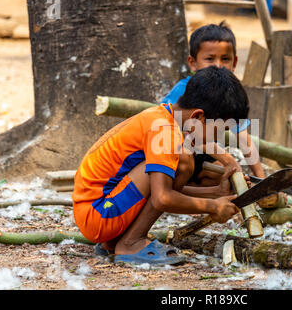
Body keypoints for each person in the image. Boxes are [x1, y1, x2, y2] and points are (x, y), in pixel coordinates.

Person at [72, 66, 250, 266]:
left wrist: (215, 192)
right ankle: (131, 243)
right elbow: (162, 197)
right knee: (184, 161)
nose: (217, 139)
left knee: (178, 162)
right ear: (198, 117)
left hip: (98, 211)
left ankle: (113, 242)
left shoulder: (162, 116)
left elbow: (161, 189)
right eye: (220, 130)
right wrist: (212, 207)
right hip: (99, 215)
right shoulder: (165, 132)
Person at [161, 22, 266, 186]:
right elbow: (164, 125)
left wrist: (262, 180)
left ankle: (194, 192)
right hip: (175, 153)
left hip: (203, 156)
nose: (218, 65)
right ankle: (182, 195)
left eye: (225, 59)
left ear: (234, 62)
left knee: (224, 176)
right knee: (185, 157)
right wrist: (227, 158)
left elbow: (244, 140)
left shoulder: (230, 95)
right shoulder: (183, 90)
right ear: (193, 63)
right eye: (210, 59)